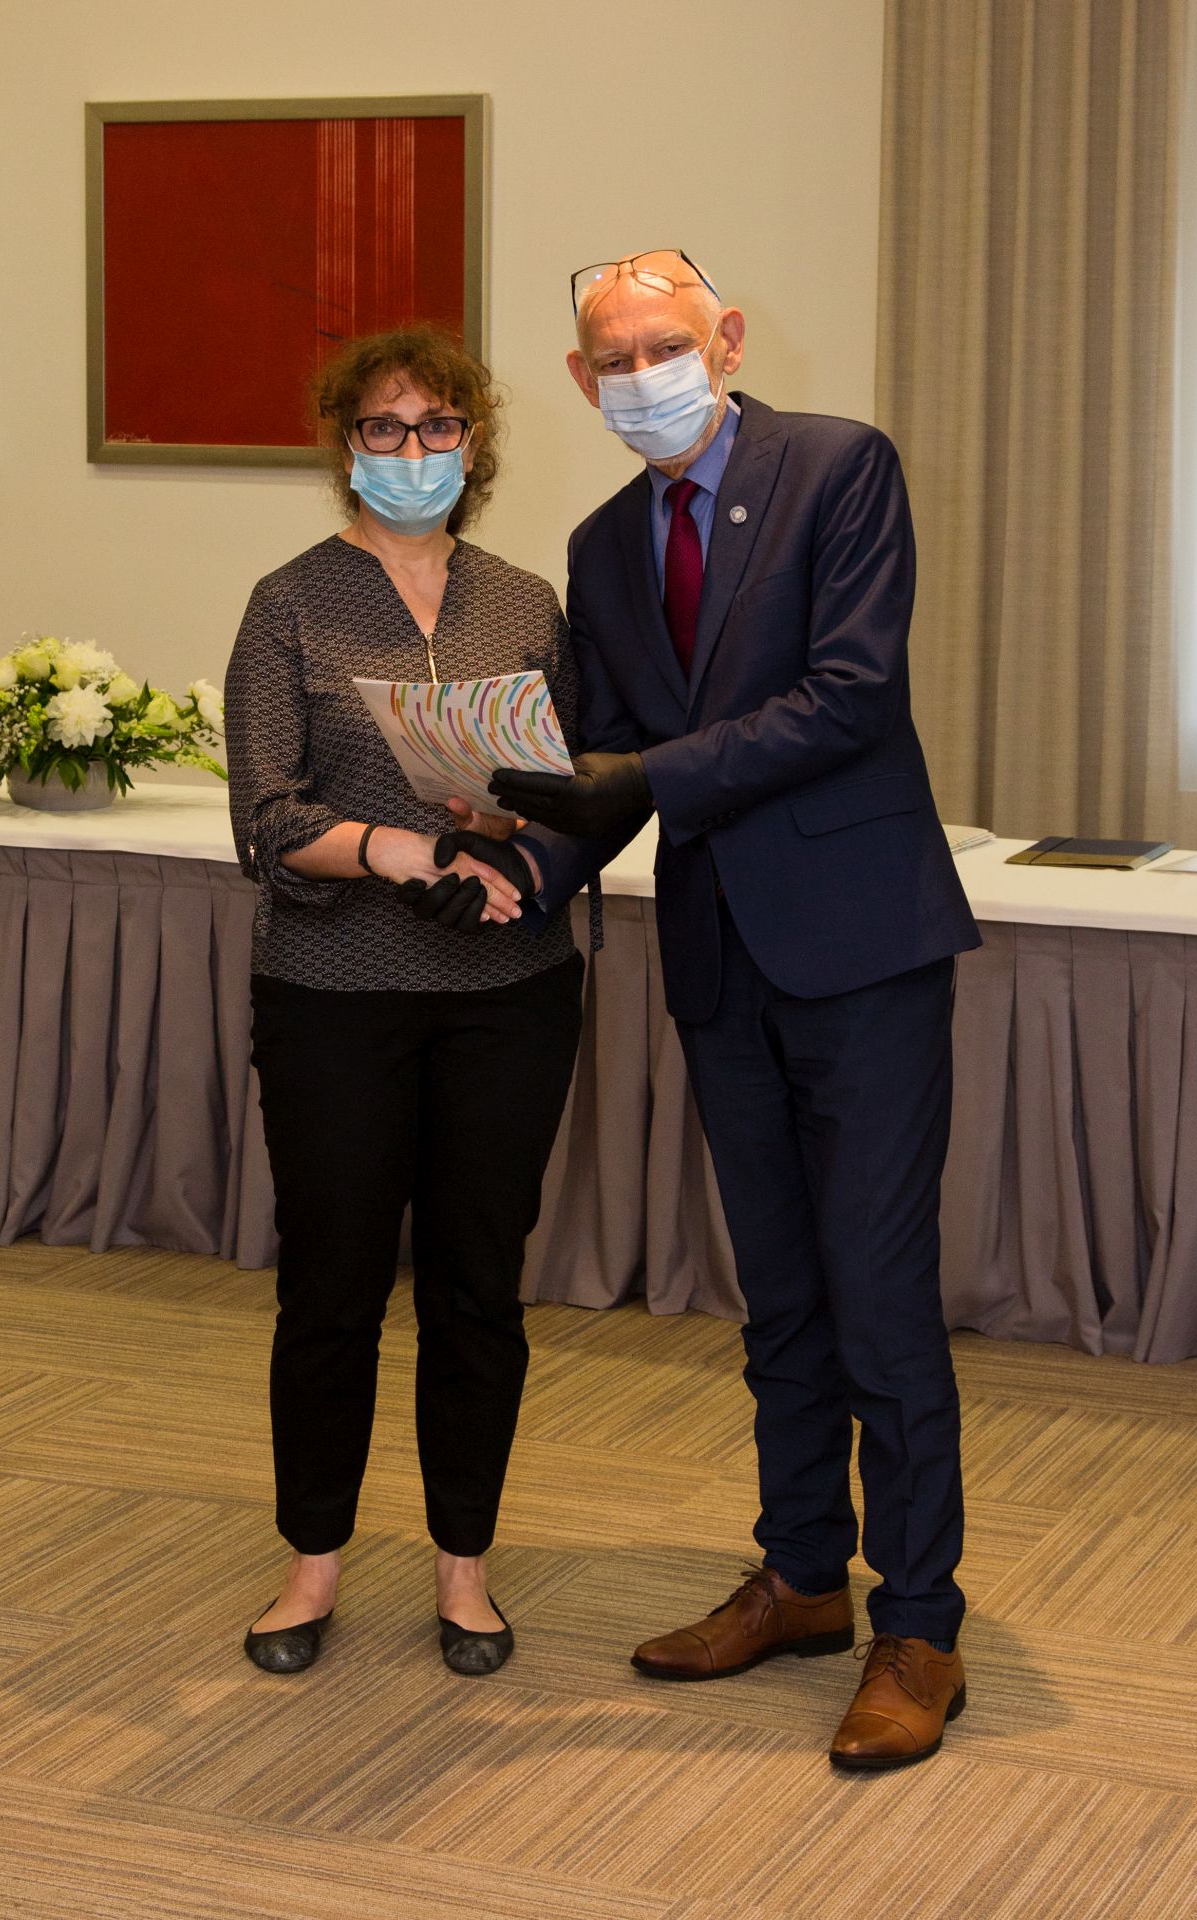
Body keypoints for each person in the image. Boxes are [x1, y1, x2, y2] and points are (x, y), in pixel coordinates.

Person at [454, 251, 981, 1768]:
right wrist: (520, 869)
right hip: (722, 961)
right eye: (612, 358)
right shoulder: (601, 544)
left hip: (861, 947)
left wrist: (638, 777)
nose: (642, 376)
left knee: (879, 1298)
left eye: (665, 344)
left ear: (726, 338)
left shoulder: (839, 469)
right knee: (782, 1300)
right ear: (579, 381)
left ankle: (920, 1623)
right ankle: (804, 1576)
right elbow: (610, 767)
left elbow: (850, 696)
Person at [224, 325, 584, 1679]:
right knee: (331, 1287)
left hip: (509, 991)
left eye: (438, 426)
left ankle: (464, 1569)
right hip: (333, 993)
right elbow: (266, 818)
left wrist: (512, 839)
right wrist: (395, 850)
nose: (414, 450)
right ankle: (312, 1562)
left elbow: (573, 793)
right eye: (385, 428)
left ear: (472, 445)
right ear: (347, 447)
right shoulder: (289, 604)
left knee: (478, 1288)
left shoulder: (524, 605)